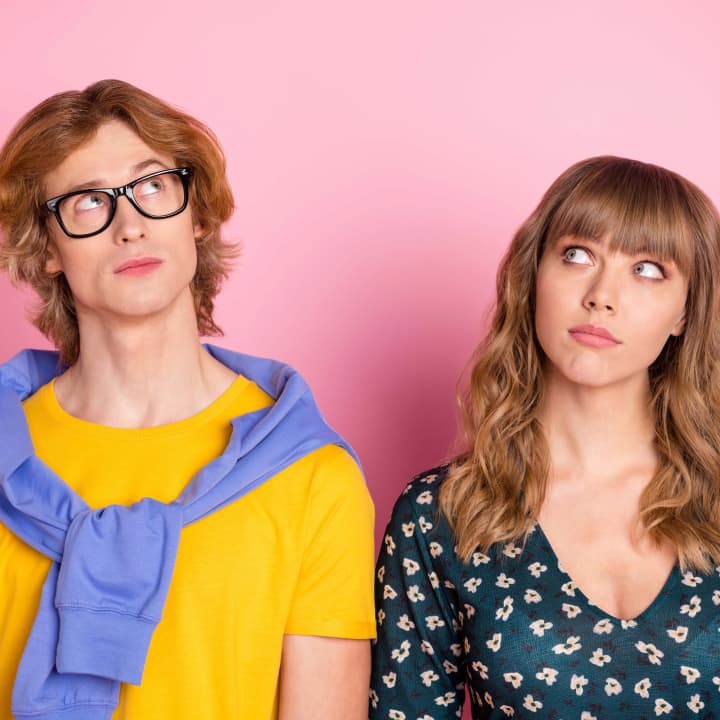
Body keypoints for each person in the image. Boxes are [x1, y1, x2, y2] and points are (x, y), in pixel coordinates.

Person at [0, 79, 375, 720]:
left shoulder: (312, 478)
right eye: (88, 201)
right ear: (48, 248)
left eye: (152, 186)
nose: (130, 226)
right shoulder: (9, 450)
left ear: (196, 216)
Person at [370, 156, 720, 719]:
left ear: (685, 312)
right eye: (577, 255)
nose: (601, 295)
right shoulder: (441, 514)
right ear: (533, 276)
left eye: (647, 268)